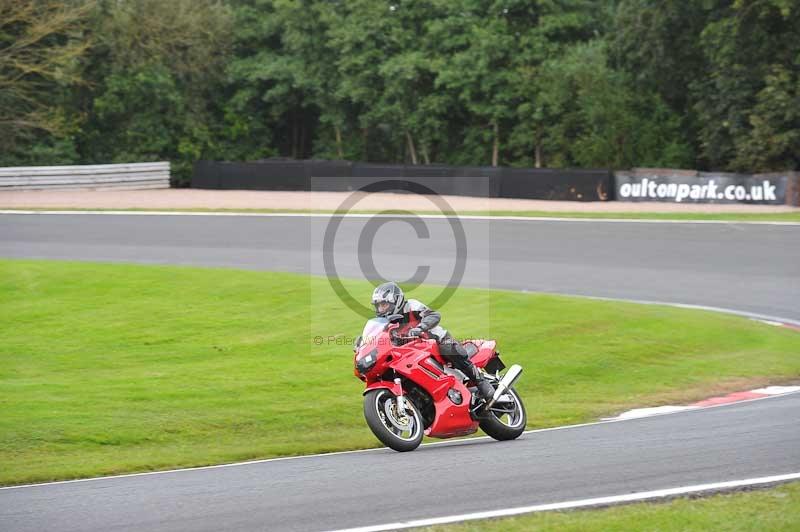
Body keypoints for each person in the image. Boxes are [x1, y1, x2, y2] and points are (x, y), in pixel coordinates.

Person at [370, 281, 496, 401]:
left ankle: (480, 381)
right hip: (414, 351)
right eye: (379, 306)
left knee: (447, 349)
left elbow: (433, 315)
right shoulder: (385, 323)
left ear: (396, 301)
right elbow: (380, 337)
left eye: (384, 304)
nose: (381, 309)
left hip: (435, 341)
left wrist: (420, 328)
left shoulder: (411, 306)